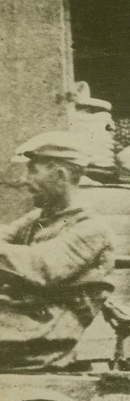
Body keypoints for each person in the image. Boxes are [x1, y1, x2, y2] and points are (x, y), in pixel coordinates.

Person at [0, 132, 115, 370]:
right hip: (21, 318)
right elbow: (5, 236)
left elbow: (40, 266)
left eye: (33, 170)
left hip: (47, 331)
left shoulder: (92, 228)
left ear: (60, 175)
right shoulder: (39, 219)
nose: (25, 180)